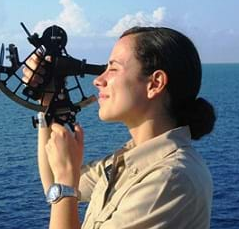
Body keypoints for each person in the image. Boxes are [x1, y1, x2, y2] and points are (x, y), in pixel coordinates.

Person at [22, 26, 216, 229]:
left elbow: (62, 184)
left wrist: (65, 178)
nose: (98, 80)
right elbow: (55, 186)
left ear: (155, 83)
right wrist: (48, 100)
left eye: (113, 68)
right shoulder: (129, 161)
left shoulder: (170, 179)